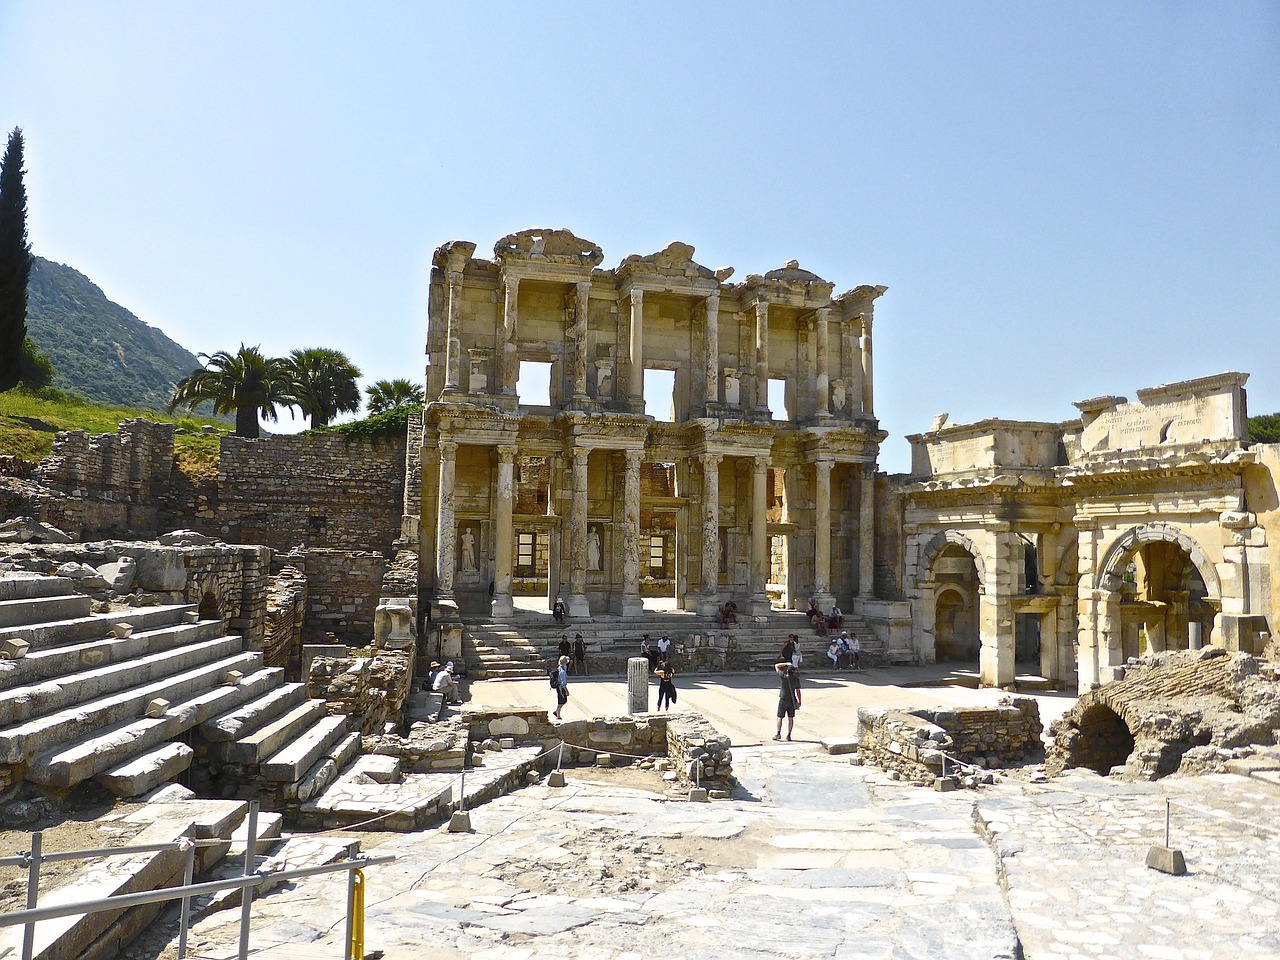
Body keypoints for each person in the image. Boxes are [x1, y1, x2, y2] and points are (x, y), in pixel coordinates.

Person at [773, 661, 801, 741]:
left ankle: (778, 734)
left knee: (780, 717)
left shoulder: (783, 677)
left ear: (787, 670)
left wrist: (786, 664)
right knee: (791, 718)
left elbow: (776, 666)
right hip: (792, 700)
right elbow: (798, 691)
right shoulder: (796, 679)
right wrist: (799, 701)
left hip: (783, 699)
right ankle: (789, 735)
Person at [551, 654, 570, 720]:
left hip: (559, 687)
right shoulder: (562, 671)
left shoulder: (560, 668)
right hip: (561, 688)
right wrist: (566, 691)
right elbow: (563, 683)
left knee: (563, 701)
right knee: (561, 701)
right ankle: (558, 715)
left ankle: (556, 712)